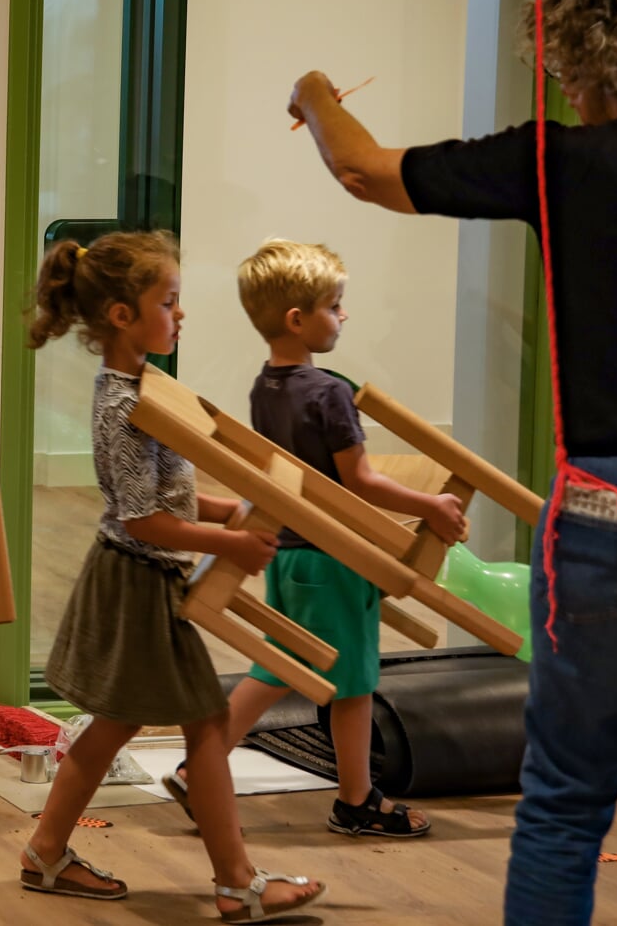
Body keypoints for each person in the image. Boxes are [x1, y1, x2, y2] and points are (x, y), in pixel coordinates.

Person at [288, 0, 617, 924]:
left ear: (590, 52)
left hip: (608, 506)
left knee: (568, 796)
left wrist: (313, 90)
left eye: (562, 57)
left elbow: (362, 168)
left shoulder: (560, 161)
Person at [20, 231, 325, 921]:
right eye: (170, 300)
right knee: (206, 722)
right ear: (124, 315)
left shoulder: (141, 387)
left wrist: (224, 509)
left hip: (138, 575)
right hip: (136, 577)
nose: (180, 314)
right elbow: (142, 521)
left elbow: (164, 495)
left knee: (118, 727)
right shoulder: (126, 405)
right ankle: (237, 883)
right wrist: (231, 541)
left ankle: (45, 853)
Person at [163, 239, 460, 839]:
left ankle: (202, 767)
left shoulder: (264, 387)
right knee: (351, 686)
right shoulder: (328, 394)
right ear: (298, 320)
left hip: (290, 556)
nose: (343, 315)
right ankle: (356, 801)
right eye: (335, 304)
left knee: (278, 669)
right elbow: (362, 482)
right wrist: (433, 503)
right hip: (334, 559)